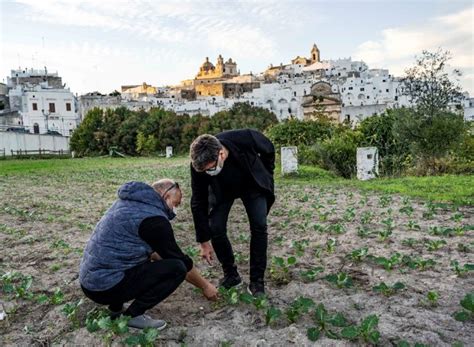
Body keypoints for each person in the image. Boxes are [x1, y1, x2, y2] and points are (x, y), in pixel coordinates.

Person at [79, 179, 217, 330]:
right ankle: (133, 315)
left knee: (132, 259)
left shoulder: (128, 204)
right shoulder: (154, 220)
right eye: (176, 204)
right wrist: (205, 286)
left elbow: (152, 252)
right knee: (177, 268)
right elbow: (180, 260)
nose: (175, 210)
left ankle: (116, 310)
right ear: (166, 197)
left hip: (90, 281)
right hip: (104, 288)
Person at [189, 129, 275, 297]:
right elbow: (198, 200)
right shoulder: (199, 166)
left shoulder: (244, 137)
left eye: (210, 169)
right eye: (204, 171)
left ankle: (257, 282)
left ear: (221, 153)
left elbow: (269, 149)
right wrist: (203, 241)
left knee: (259, 226)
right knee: (216, 228)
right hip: (222, 190)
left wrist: (267, 172)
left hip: (251, 184)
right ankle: (231, 275)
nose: (207, 172)